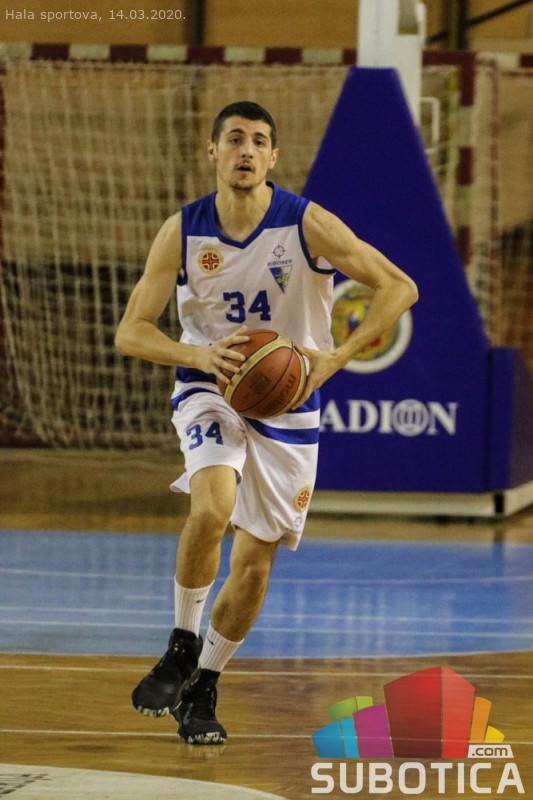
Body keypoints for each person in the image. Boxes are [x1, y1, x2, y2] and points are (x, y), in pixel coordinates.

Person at [115, 100, 418, 745]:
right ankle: (180, 643)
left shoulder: (306, 223)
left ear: (273, 156)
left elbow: (399, 287)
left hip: (288, 398)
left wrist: (333, 358)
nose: (246, 151)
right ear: (213, 151)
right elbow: (131, 331)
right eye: (234, 139)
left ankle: (204, 685)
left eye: (258, 141)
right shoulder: (184, 230)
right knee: (212, 508)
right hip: (211, 387)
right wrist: (199, 355)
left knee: (254, 564)